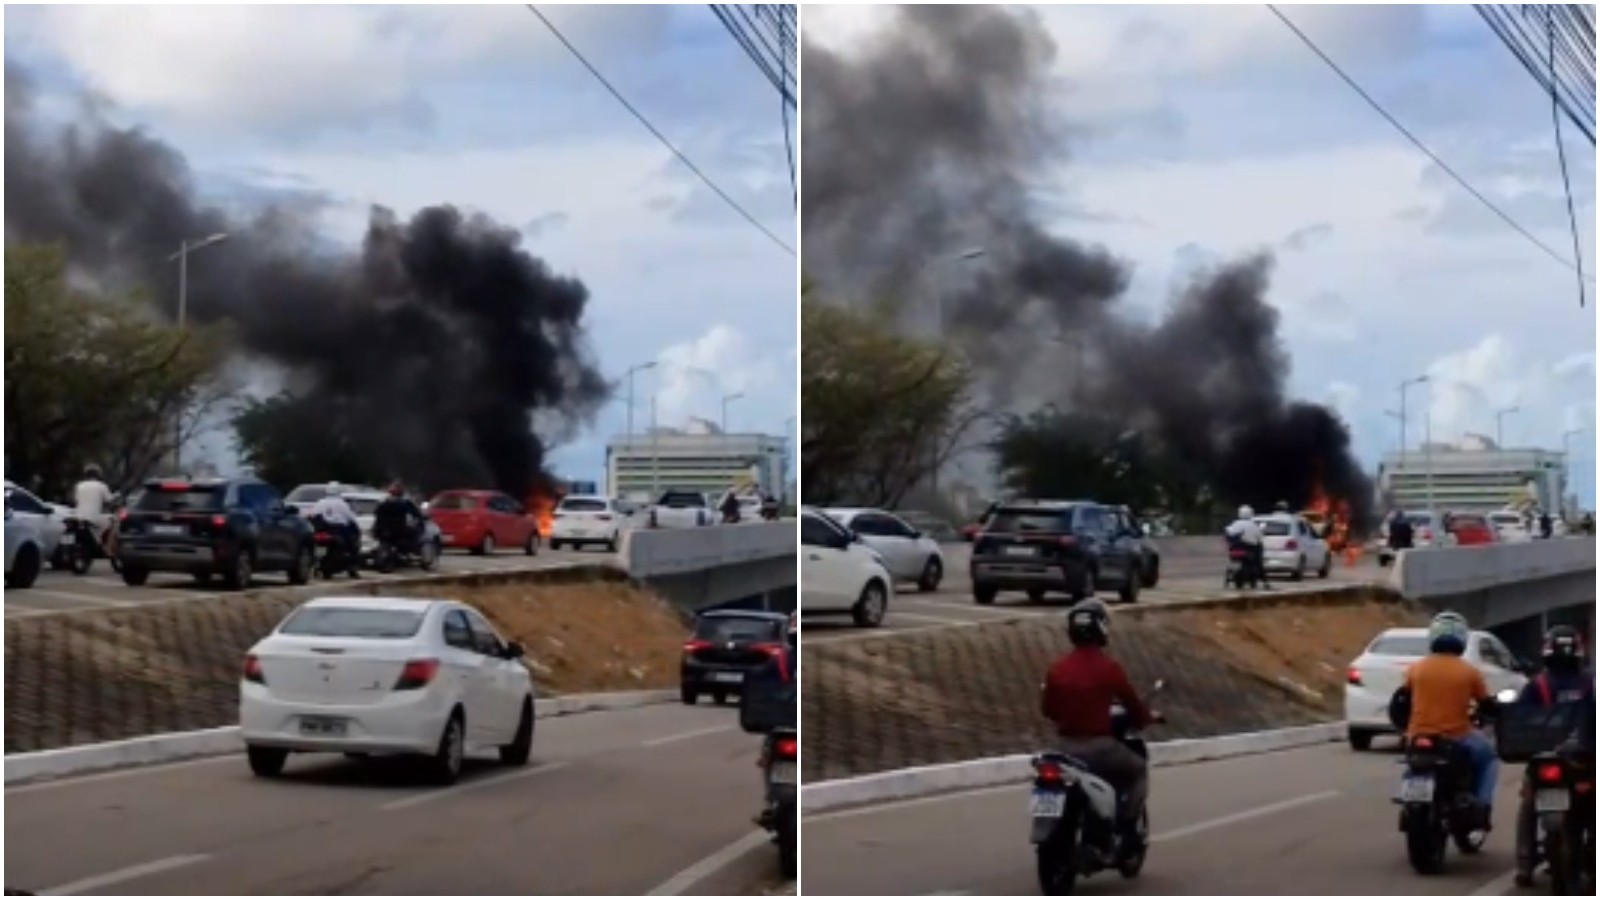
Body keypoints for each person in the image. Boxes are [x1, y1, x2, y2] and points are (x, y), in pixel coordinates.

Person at [1040, 599, 1157, 855]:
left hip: (1063, 749)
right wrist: (1145, 718)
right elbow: (1133, 705)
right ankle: (1128, 830)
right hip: (1099, 748)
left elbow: (1048, 710)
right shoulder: (1109, 668)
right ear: (1101, 628)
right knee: (1138, 769)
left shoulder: (1057, 669)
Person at [1511, 625, 1594, 886]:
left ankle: (1524, 865)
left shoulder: (1537, 685)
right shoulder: (1589, 683)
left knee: (1528, 805)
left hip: (1546, 756)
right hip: (1582, 758)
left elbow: (1519, 718)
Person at [1402, 611, 1498, 828]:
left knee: (1410, 764)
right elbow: (1486, 705)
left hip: (1418, 736)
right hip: (1456, 737)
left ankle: (1408, 801)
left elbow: (1402, 701)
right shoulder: (1469, 672)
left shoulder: (1416, 669)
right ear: (1462, 638)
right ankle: (1482, 806)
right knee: (1489, 758)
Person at [308, 490, 361, 576]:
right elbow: (350, 517)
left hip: (322, 529)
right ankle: (352, 567)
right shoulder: (342, 504)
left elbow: (313, 515)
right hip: (339, 530)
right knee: (353, 546)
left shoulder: (320, 502)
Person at [373, 482, 424, 552]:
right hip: (396, 531)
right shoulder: (404, 503)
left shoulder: (384, 502)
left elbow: (377, 513)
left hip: (387, 531)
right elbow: (416, 514)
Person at [1224, 504, 1266, 584]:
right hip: (1249, 549)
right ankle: (1263, 579)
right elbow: (1259, 537)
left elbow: (1228, 532)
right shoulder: (1253, 525)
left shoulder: (1236, 523)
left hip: (1235, 549)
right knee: (1258, 561)